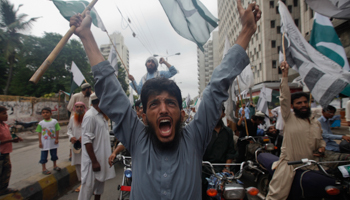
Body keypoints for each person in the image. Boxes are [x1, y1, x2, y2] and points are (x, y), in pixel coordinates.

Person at [69, 1, 261, 198]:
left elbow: (217, 86)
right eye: (154, 104)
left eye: (170, 103)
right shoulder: (137, 137)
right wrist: (87, 36)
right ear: (143, 116)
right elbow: (111, 92)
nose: (163, 109)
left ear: (181, 113)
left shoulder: (195, 138)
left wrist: (246, 30)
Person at [266, 62, 326, 200]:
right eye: (299, 103)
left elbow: (320, 140)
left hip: (312, 166)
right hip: (289, 166)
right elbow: (284, 98)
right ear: (293, 106)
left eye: (305, 102)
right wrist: (285, 76)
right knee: (276, 196)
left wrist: (322, 148)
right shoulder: (289, 117)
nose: (303, 105)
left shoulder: (315, 122)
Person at [79, 93, 116, 200]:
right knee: (87, 189)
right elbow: (87, 141)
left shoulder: (101, 115)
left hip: (101, 159)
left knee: (99, 188)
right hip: (92, 162)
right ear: (99, 103)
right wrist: (94, 161)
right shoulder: (90, 116)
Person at [202, 106, 236, 200]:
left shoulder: (228, 132)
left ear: (223, 114)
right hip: (206, 169)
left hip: (223, 170)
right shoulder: (204, 131)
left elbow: (230, 151)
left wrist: (227, 167)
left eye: (219, 112)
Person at [0, 106, 22, 195]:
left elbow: (8, 136)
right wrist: (11, 140)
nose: (6, 116)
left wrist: (15, 138)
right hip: (0, 153)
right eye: (4, 113)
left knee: (6, 171)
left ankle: (3, 189)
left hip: (6, 152)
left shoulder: (5, 125)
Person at [66, 102, 87, 192]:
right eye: (77, 107)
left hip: (86, 145)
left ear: (84, 108)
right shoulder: (72, 118)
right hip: (76, 145)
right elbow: (69, 130)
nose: (79, 108)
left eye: (81, 107)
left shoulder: (87, 117)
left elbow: (91, 129)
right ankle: (82, 183)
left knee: (86, 165)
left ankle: (87, 184)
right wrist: (71, 137)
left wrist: (85, 136)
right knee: (78, 165)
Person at [36, 107, 61, 175]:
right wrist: (40, 142)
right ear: (42, 114)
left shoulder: (54, 121)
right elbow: (39, 133)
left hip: (53, 142)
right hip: (44, 142)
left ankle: (55, 165)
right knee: (44, 156)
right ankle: (44, 168)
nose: (45, 114)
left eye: (47, 112)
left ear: (50, 113)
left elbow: (57, 130)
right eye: (43, 113)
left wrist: (56, 139)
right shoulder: (41, 123)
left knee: (54, 154)